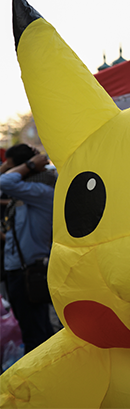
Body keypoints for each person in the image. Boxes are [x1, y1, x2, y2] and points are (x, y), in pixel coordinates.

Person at [0, 144, 56, 353]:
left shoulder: (40, 191)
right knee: (34, 327)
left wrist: (30, 164)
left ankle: (40, 379)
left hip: (28, 273)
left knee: (34, 333)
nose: (5, 167)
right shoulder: (27, 194)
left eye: (9, 164)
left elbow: (4, 180)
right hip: (18, 270)